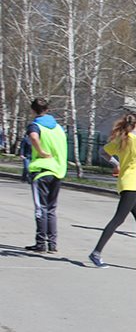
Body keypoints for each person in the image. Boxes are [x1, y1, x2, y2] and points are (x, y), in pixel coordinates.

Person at [88, 113, 136, 269]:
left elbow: (103, 152)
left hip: (125, 183)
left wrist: (116, 164)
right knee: (118, 220)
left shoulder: (121, 139)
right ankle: (96, 252)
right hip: (132, 185)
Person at [24, 98, 68, 253]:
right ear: (47, 110)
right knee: (51, 208)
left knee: (40, 208)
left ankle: (41, 243)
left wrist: (41, 152)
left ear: (33, 110)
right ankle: (52, 243)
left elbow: (34, 137)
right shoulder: (58, 128)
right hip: (58, 170)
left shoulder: (35, 125)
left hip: (42, 170)